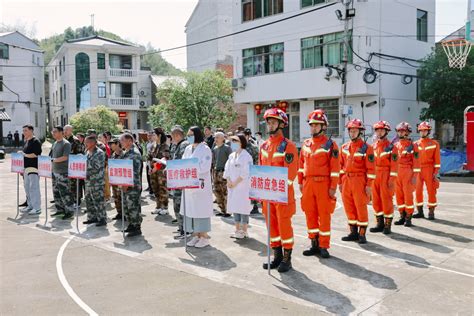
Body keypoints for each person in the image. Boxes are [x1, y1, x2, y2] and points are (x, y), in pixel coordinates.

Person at [260, 108, 298, 273]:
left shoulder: (287, 146)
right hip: (268, 195)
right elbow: (260, 170)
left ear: (282, 124)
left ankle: (287, 259)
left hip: (282, 195)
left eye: (274, 122)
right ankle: (276, 256)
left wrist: (279, 188)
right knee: (272, 227)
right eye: (269, 122)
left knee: (284, 226)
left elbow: (291, 172)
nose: (270, 125)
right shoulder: (264, 146)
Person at [298, 110, 340, 259]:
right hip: (308, 184)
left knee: (324, 215)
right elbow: (301, 165)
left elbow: (335, 168)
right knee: (310, 214)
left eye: (317, 125)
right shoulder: (306, 144)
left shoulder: (330, 145)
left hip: (323, 184)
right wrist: (300, 182)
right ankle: (314, 243)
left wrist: (333, 187)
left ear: (324, 127)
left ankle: (324, 245)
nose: (313, 128)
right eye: (312, 125)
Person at [339, 119, 375, 244]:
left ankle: (362, 233)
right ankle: (353, 232)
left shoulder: (367, 148)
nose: (352, 133)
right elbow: (340, 166)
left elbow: (371, 169)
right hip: (346, 180)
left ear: (360, 132)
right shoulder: (344, 147)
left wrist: (369, 185)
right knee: (349, 206)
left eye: (355, 131)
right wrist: (339, 182)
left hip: (359, 180)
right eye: (351, 131)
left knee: (360, 206)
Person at [181, 126, 213, 248]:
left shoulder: (205, 149)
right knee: (191, 210)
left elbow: (204, 167)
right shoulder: (188, 148)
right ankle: (195, 235)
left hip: (200, 184)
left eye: (190, 135)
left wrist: (190, 167)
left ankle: (204, 237)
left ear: (197, 135)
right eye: (188, 135)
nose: (188, 137)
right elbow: (184, 163)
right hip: (189, 184)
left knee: (201, 210)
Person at [369, 121, 398, 235]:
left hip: (386, 175)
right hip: (375, 175)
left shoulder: (391, 147)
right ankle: (379, 223)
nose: (379, 132)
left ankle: (387, 225)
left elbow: (394, 165)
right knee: (376, 200)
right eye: (377, 130)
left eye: (382, 130)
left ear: (386, 131)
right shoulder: (373, 146)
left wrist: (391, 180)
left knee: (386, 200)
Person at [224, 134, 253, 239]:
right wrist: (228, 181)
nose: (233, 143)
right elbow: (226, 169)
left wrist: (235, 182)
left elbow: (246, 172)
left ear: (242, 142)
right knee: (235, 208)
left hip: (243, 187)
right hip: (232, 186)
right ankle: (237, 229)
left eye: (235, 141)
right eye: (232, 141)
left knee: (243, 209)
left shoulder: (247, 156)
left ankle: (244, 231)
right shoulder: (231, 156)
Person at [413, 121, 441, 220]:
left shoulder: (434, 143)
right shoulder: (415, 144)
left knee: (431, 191)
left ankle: (431, 211)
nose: (423, 132)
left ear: (428, 131)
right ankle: (420, 211)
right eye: (421, 131)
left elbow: (437, 160)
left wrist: (436, 173)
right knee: (418, 191)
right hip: (418, 170)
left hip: (429, 169)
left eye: (425, 130)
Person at [394, 122, 419, 227]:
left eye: (403, 131)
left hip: (408, 172)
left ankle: (409, 217)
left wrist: (414, 177)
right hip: (397, 173)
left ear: (408, 132)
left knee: (408, 196)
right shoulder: (396, 145)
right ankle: (402, 216)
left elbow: (417, 163)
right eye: (399, 131)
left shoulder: (413, 146)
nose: (400, 133)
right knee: (399, 195)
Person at [120, 133, 143, 237]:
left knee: (133, 206)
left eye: (123, 141)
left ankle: (136, 227)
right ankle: (131, 224)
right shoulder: (127, 152)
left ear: (130, 141)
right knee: (127, 206)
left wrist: (127, 184)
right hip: (126, 184)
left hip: (132, 186)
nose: (121, 143)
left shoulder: (134, 153)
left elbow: (135, 171)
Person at [50, 126, 75, 220]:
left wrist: (54, 160)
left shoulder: (66, 143)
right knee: (56, 192)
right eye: (53, 132)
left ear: (61, 132)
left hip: (63, 172)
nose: (53, 133)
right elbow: (52, 156)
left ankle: (69, 211)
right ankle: (60, 210)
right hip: (55, 171)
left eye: (55, 132)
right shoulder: (55, 143)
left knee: (65, 193)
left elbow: (66, 157)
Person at [170, 125, 190, 239]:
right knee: (177, 205)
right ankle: (181, 228)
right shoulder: (177, 145)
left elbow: (183, 162)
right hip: (177, 180)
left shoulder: (184, 145)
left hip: (182, 181)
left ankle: (185, 230)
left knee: (180, 205)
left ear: (177, 135)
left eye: (172, 136)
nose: (171, 139)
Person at [83, 136, 107, 226]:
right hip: (88, 180)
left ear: (93, 143)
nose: (85, 144)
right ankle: (91, 217)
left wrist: (83, 165)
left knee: (98, 200)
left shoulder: (99, 153)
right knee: (88, 199)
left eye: (87, 142)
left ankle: (102, 218)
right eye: (85, 142)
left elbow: (97, 167)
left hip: (97, 181)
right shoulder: (87, 152)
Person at [19, 124, 42, 215]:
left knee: (34, 188)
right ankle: (30, 205)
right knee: (27, 187)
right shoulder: (26, 141)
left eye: (25, 130)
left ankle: (37, 208)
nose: (24, 132)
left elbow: (36, 154)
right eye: (23, 130)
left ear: (31, 131)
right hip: (26, 168)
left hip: (34, 168)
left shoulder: (36, 141)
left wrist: (24, 154)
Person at [150, 127, 170, 215]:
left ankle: (165, 207)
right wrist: (150, 168)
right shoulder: (153, 146)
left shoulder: (165, 146)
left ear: (159, 135)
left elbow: (165, 158)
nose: (152, 136)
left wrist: (156, 167)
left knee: (163, 189)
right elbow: (150, 157)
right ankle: (158, 206)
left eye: (154, 134)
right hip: (153, 171)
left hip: (161, 172)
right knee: (155, 189)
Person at [212, 131, 232, 217]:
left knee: (225, 191)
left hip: (224, 172)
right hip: (216, 172)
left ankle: (227, 210)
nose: (215, 139)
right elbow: (214, 160)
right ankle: (222, 209)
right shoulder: (215, 149)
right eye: (215, 137)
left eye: (217, 137)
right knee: (216, 190)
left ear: (222, 138)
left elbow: (230, 161)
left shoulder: (227, 148)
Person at [64, 125, 82, 205]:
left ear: (71, 130)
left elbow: (79, 153)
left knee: (76, 184)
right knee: (69, 185)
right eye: (64, 130)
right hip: (66, 166)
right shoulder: (64, 140)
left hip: (74, 166)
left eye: (67, 130)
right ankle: (71, 200)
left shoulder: (75, 140)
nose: (65, 131)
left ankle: (77, 201)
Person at [243, 128, 260, 214]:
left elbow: (257, 158)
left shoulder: (253, 147)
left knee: (252, 189)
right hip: (242, 172)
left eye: (247, 135)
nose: (245, 136)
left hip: (251, 170)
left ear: (249, 136)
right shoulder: (241, 147)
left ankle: (255, 206)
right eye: (244, 134)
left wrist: (255, 170)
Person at [109, 138, 124, 221]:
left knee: (122, 197)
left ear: (118, 143)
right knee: (116, 197)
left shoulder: (124, 154)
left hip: (122, 179)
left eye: (112, 143)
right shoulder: (113, 155)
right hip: (114, 179)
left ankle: (125, 213)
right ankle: (119, 213)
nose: (111, 145)